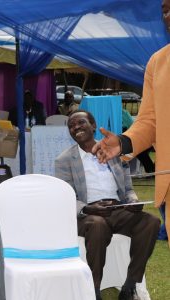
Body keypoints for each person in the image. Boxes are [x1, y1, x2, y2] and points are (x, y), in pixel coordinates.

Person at [55, 110, 160, 300]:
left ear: (94, 126)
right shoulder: (64, 160)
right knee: (97, 225)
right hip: (87, 214)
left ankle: (130, 285)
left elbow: (127, 189)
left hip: (117, 209)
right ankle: (94, 289)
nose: (76, 127)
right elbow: (66, 197)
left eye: (81, 122)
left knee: (150, 221)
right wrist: (87, 208)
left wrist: (133, 200)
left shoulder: (113, 152)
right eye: (71, 126)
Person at [92, 0, 170, 244]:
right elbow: (150, 120)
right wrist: (124, 143)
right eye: (165, 9)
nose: (168, 16)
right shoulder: (158, 63)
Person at [122, 108, 155, 174]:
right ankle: (151, 170)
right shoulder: (125, 113)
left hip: (142, 139)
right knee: (140, 153)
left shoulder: (124, 113)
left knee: (140, 153)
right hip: (140, 139)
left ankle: (151, 170)